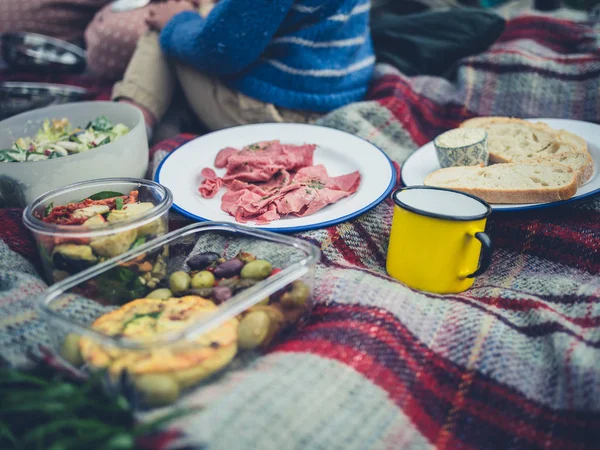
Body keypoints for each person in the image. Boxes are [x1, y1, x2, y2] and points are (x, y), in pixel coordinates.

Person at [112, 0, 375, 133]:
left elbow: (216, 53)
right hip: (335, 93)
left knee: (166, 21)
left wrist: (176, 22)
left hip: (269, 115)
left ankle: (126, 128)